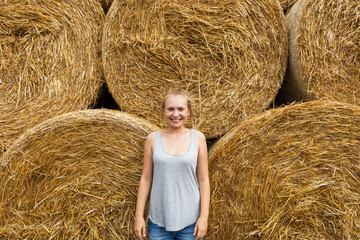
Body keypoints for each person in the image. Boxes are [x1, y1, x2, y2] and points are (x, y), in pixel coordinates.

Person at [134, 89, 210, 240]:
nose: (176, 114)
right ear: (163, 111)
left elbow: (203, 179)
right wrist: (138, 216)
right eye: (170, 109)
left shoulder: (198, 138)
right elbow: (146, 178)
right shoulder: (153, 139)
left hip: (191, 222)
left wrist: (203, 217)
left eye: (181, 109)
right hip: (158, 222)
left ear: (188, 112)